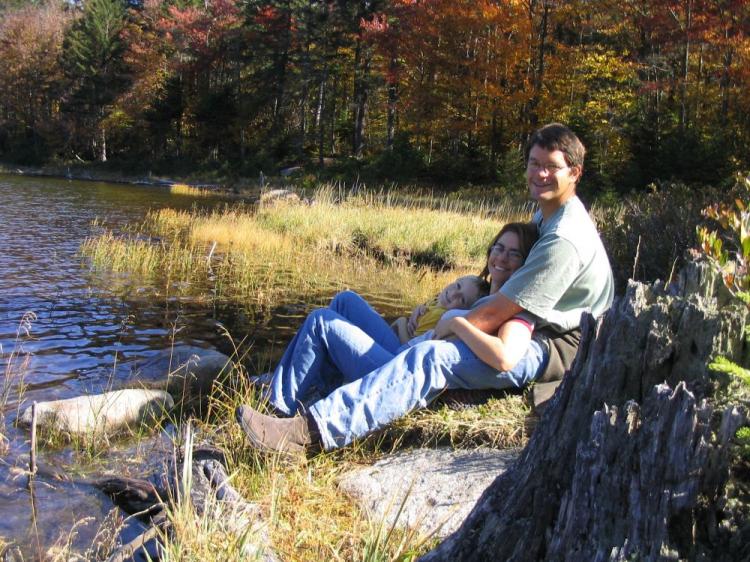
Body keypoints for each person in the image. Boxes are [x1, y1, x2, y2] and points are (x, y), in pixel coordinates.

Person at [237, 122, 614, 454]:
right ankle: (289, 396)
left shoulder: (564, 238)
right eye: (535, 163)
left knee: (430, 358)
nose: (540, 174)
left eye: (552, 167)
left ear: (575, 172)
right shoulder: (549, 214)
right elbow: (504, 294)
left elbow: (503, 317)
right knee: (345, 302)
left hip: (555, 347)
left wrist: (450, 322)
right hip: (532, 328)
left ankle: (307, 432)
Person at [391, 274, 490, 344]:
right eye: (458, 285)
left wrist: (401, 321)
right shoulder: (436, 302)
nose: (453, 294)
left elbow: (407, 346)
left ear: (464, 310)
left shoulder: (438, 316)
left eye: (462, 300)